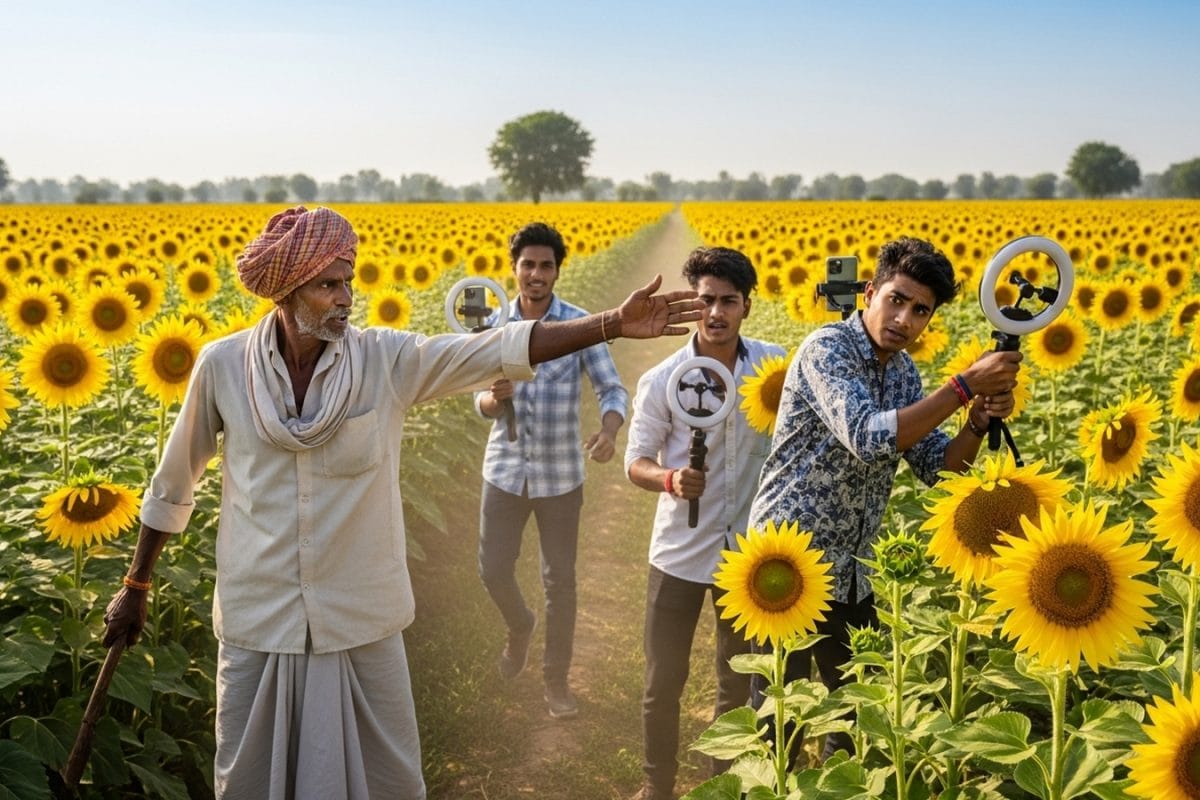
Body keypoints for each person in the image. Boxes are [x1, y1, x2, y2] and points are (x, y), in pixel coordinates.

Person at [100, 206, 703, 800]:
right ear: (285, 291)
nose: (345, 298)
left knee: (386, 776)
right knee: (251, 774)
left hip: (361, 612)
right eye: (327, 285)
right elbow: (173, 482)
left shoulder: (383, 361)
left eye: (348, 282)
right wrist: (137, 584)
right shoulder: (224, 367)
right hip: (260, 611)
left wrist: (610, 325)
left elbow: (494, 349)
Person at [748, 236, 1021, 761]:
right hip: (787, 563)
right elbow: (868, 436)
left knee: (854, 717)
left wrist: (976, 420)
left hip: (852, 570)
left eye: (921, 310)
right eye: (896, 299)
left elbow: (936, 469)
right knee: (776, 723)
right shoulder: (826, 350)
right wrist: (963, 386)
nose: (904, 318)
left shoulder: (902, 373)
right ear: (870, 292)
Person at [624, 247, 785, 800]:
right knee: (662, 680)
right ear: (691, 303)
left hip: (749, 554)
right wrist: (669, 479)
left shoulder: (774, 370)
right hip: (678, 550)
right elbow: (635, 461)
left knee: (738, 682)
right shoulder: (663, 379)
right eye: (706, 301)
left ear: (746, 306)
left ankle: (727, 786)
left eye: (728, 302)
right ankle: (657, 784)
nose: (716, 313)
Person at [475, 221, 629, 719]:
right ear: (514, 268)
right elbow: (476, 397)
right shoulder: (494, 325)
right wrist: (492, 399)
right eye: (528, 265)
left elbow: (612, 389)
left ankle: (555, 681)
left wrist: (608, 431)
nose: (536, 274)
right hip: (504, 470)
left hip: (561, 476)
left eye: (545, 265)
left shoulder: (578, 326)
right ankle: (520, 625)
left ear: (557, 271)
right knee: (492, 567)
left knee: (559, 581)